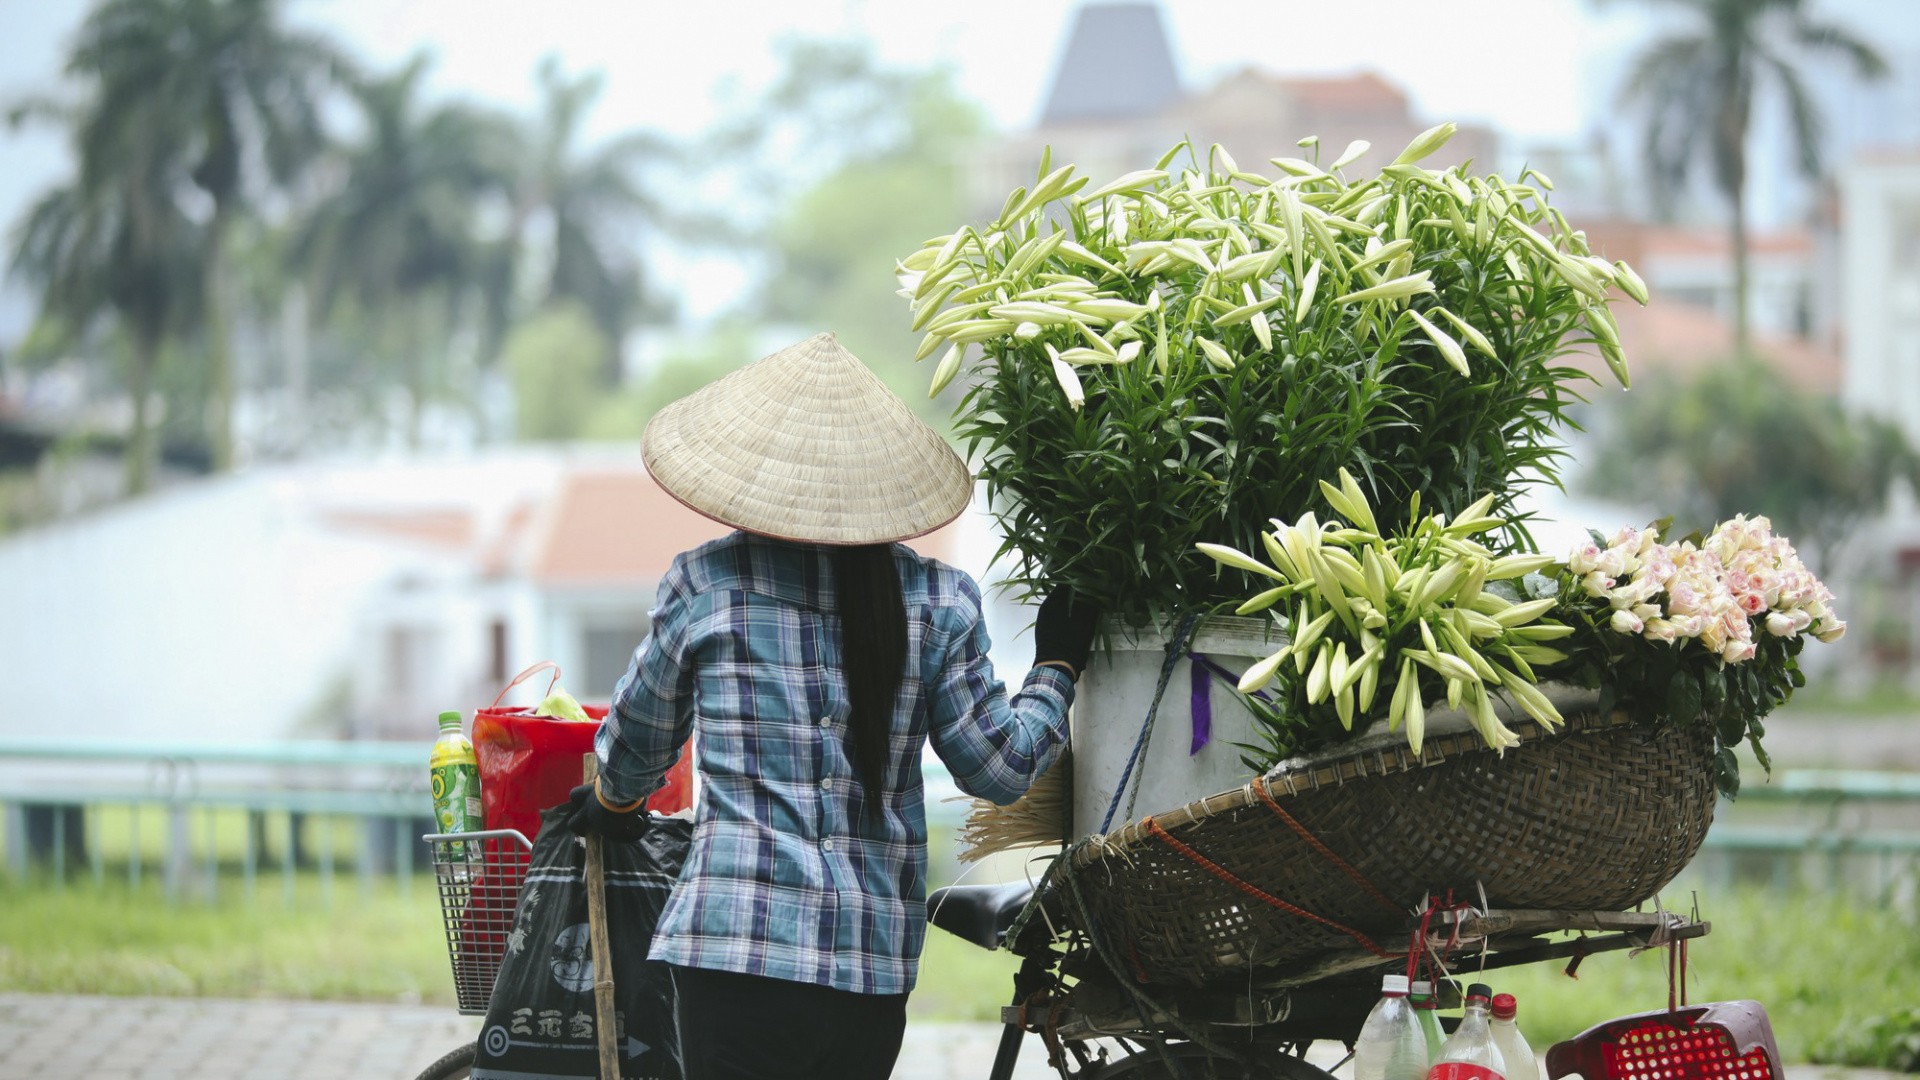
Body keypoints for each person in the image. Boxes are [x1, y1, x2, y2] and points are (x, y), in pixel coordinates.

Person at [562, 332, 1098, 1080]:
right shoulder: (936, 602)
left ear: (757, 475)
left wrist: (613, 803)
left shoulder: (707, 585)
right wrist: (1056, 667)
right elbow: (1000, 768)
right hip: (867, 969)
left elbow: (634, 749)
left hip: (731, 957)